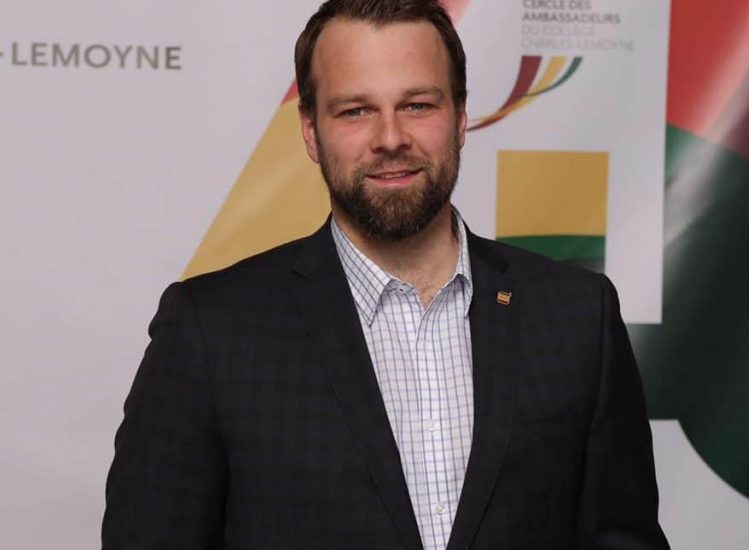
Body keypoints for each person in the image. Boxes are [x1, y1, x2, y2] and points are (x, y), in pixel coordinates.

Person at [102, 1, 670, 548]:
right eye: (356, 110)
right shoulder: (211, 329)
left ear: (460, 117)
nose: (391, 138)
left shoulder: (576, 317)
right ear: (310, 131)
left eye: (417, 105)